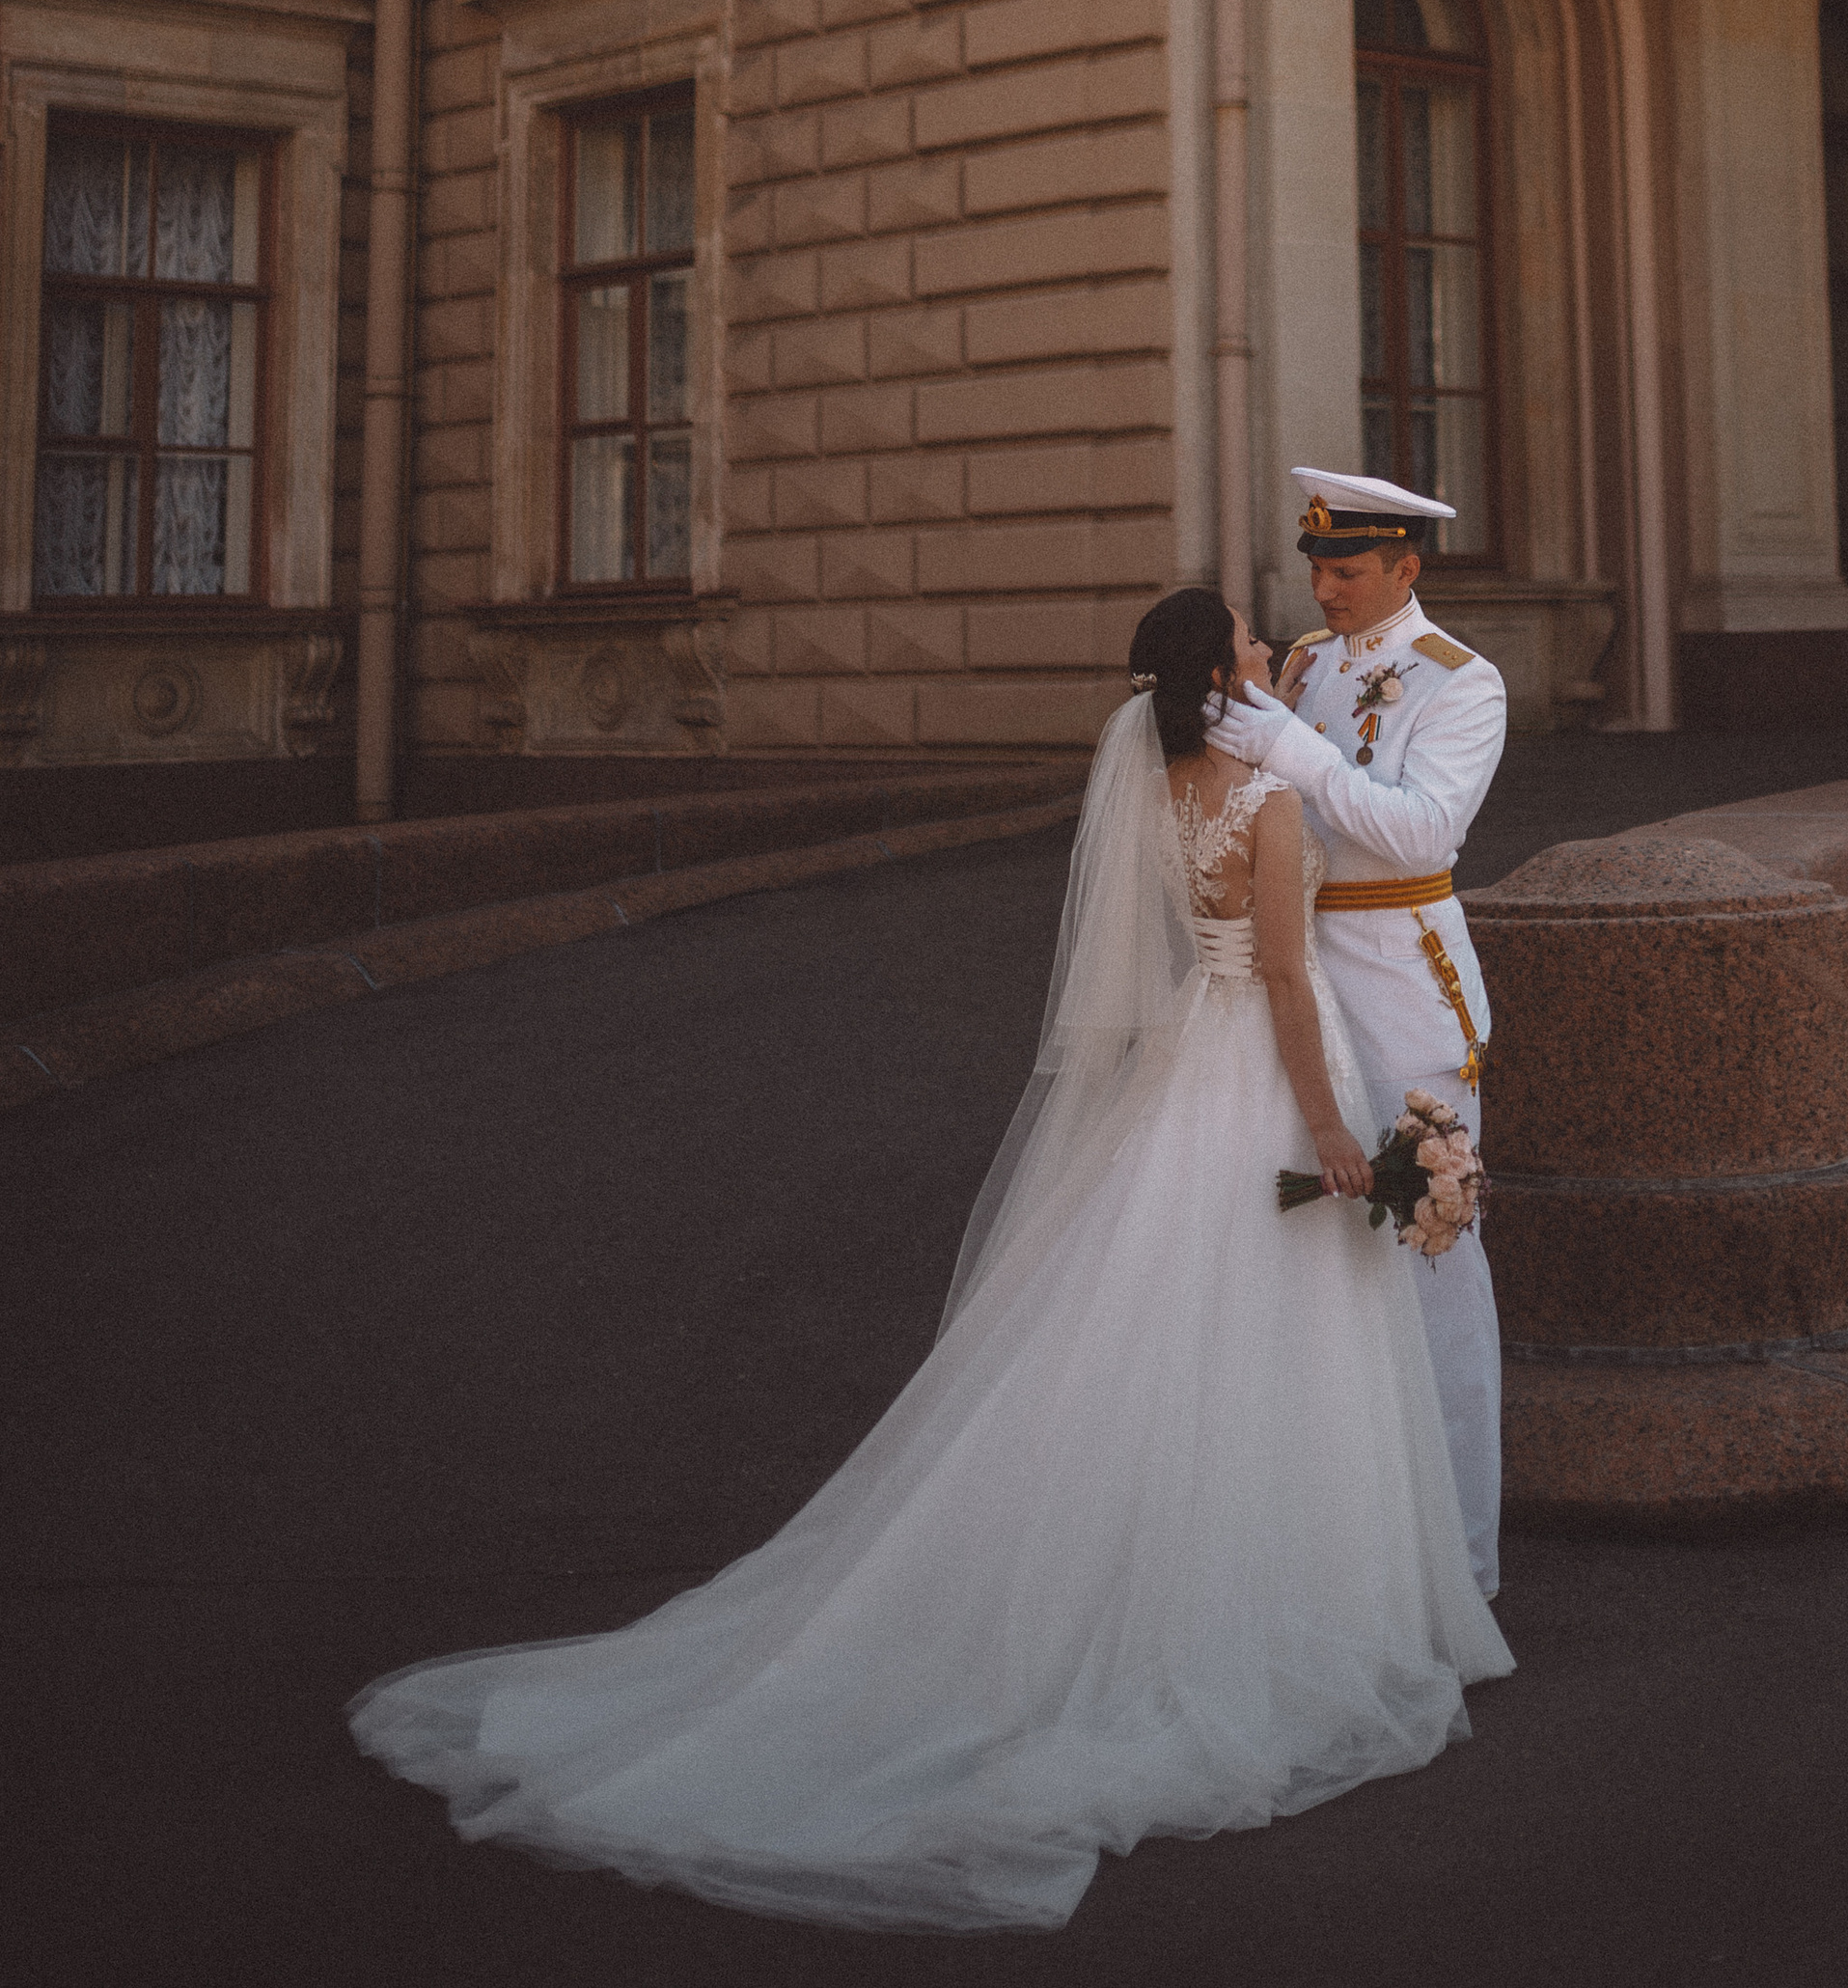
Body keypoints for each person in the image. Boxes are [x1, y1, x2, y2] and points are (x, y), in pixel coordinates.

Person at [347, 585, 1511, 1936]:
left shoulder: (1159, 782)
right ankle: (1271, 1598)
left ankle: (1163, 1561)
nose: (1272, 650)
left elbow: (1170, 952)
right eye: (1250, 642)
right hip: (1258, 1071)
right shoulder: (1262, 800)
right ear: (1217, 668)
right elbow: (1292, 983)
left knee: (1144, 1323)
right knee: (1270, 1330)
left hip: (1184, 1066)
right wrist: (1329, 1124)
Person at [1252, 467, 1510, 1596]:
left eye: (1346, 569)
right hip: (1303, 983)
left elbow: (1418, 832)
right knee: (1314, 1256)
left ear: (1407, 568)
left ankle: (1458, 1557)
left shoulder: (1463, 682)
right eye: (1317, 565)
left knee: (1429, 1252)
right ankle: (1346, 1541)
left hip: (1405, 989)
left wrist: (1298, 754)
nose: (1324, 586)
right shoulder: (1304, 663)